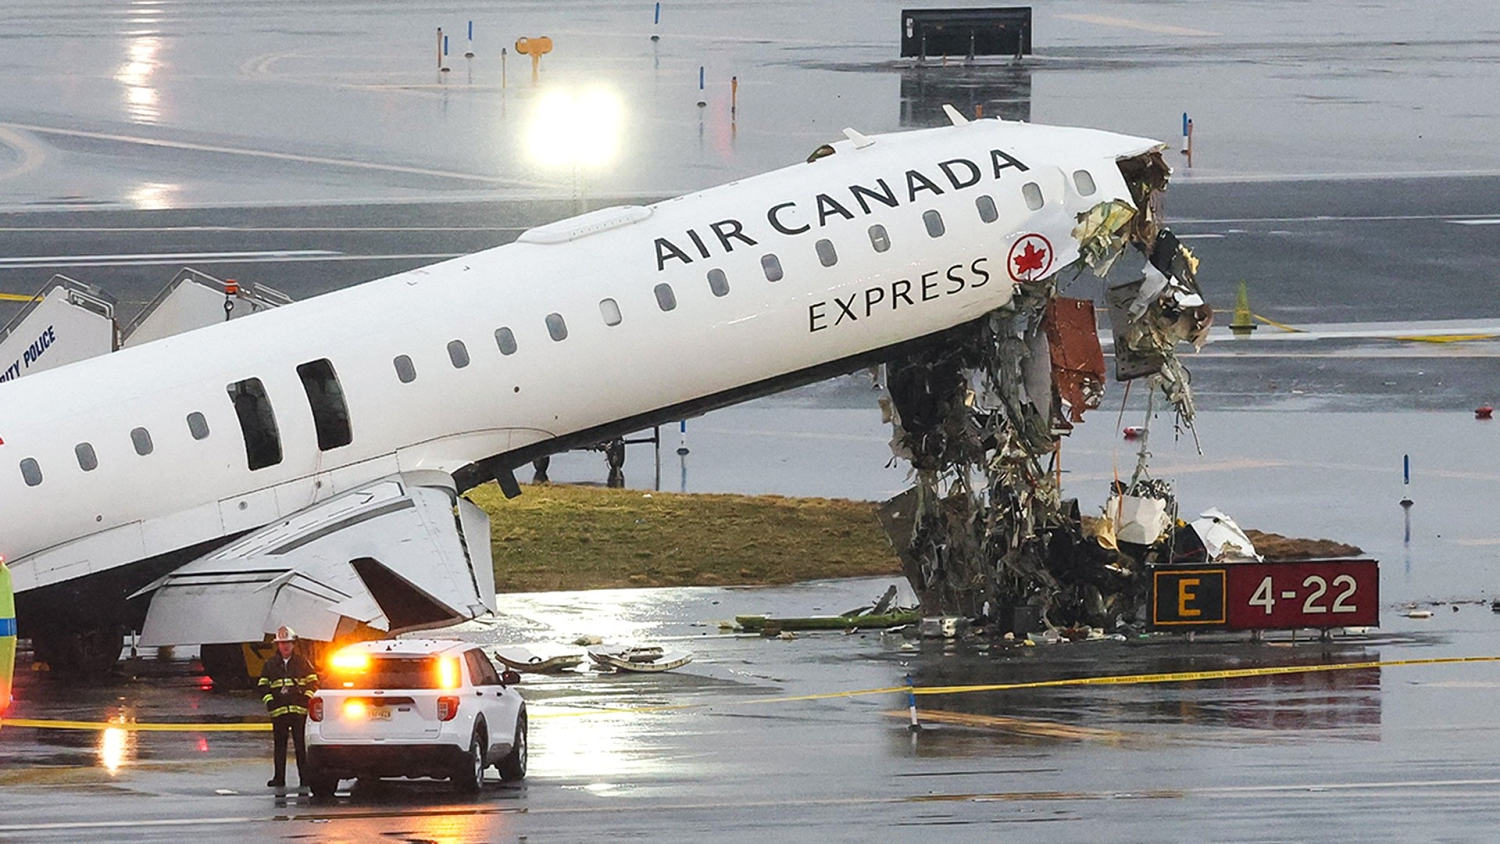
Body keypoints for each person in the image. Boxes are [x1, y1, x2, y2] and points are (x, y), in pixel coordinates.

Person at [258, 625, 318, 788]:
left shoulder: (302, 663)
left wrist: (306, 700)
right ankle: (279, 778)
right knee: (280, 747)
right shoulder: (270, 664)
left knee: (300, 747)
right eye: (282, 643)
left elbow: (313, 683)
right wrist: (270, 702)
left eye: (288, 643)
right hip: (279, 712)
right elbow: (263, 685)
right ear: (277, 645)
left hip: (299, 712)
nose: (285, 646)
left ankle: (305, 778)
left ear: (293, 644)